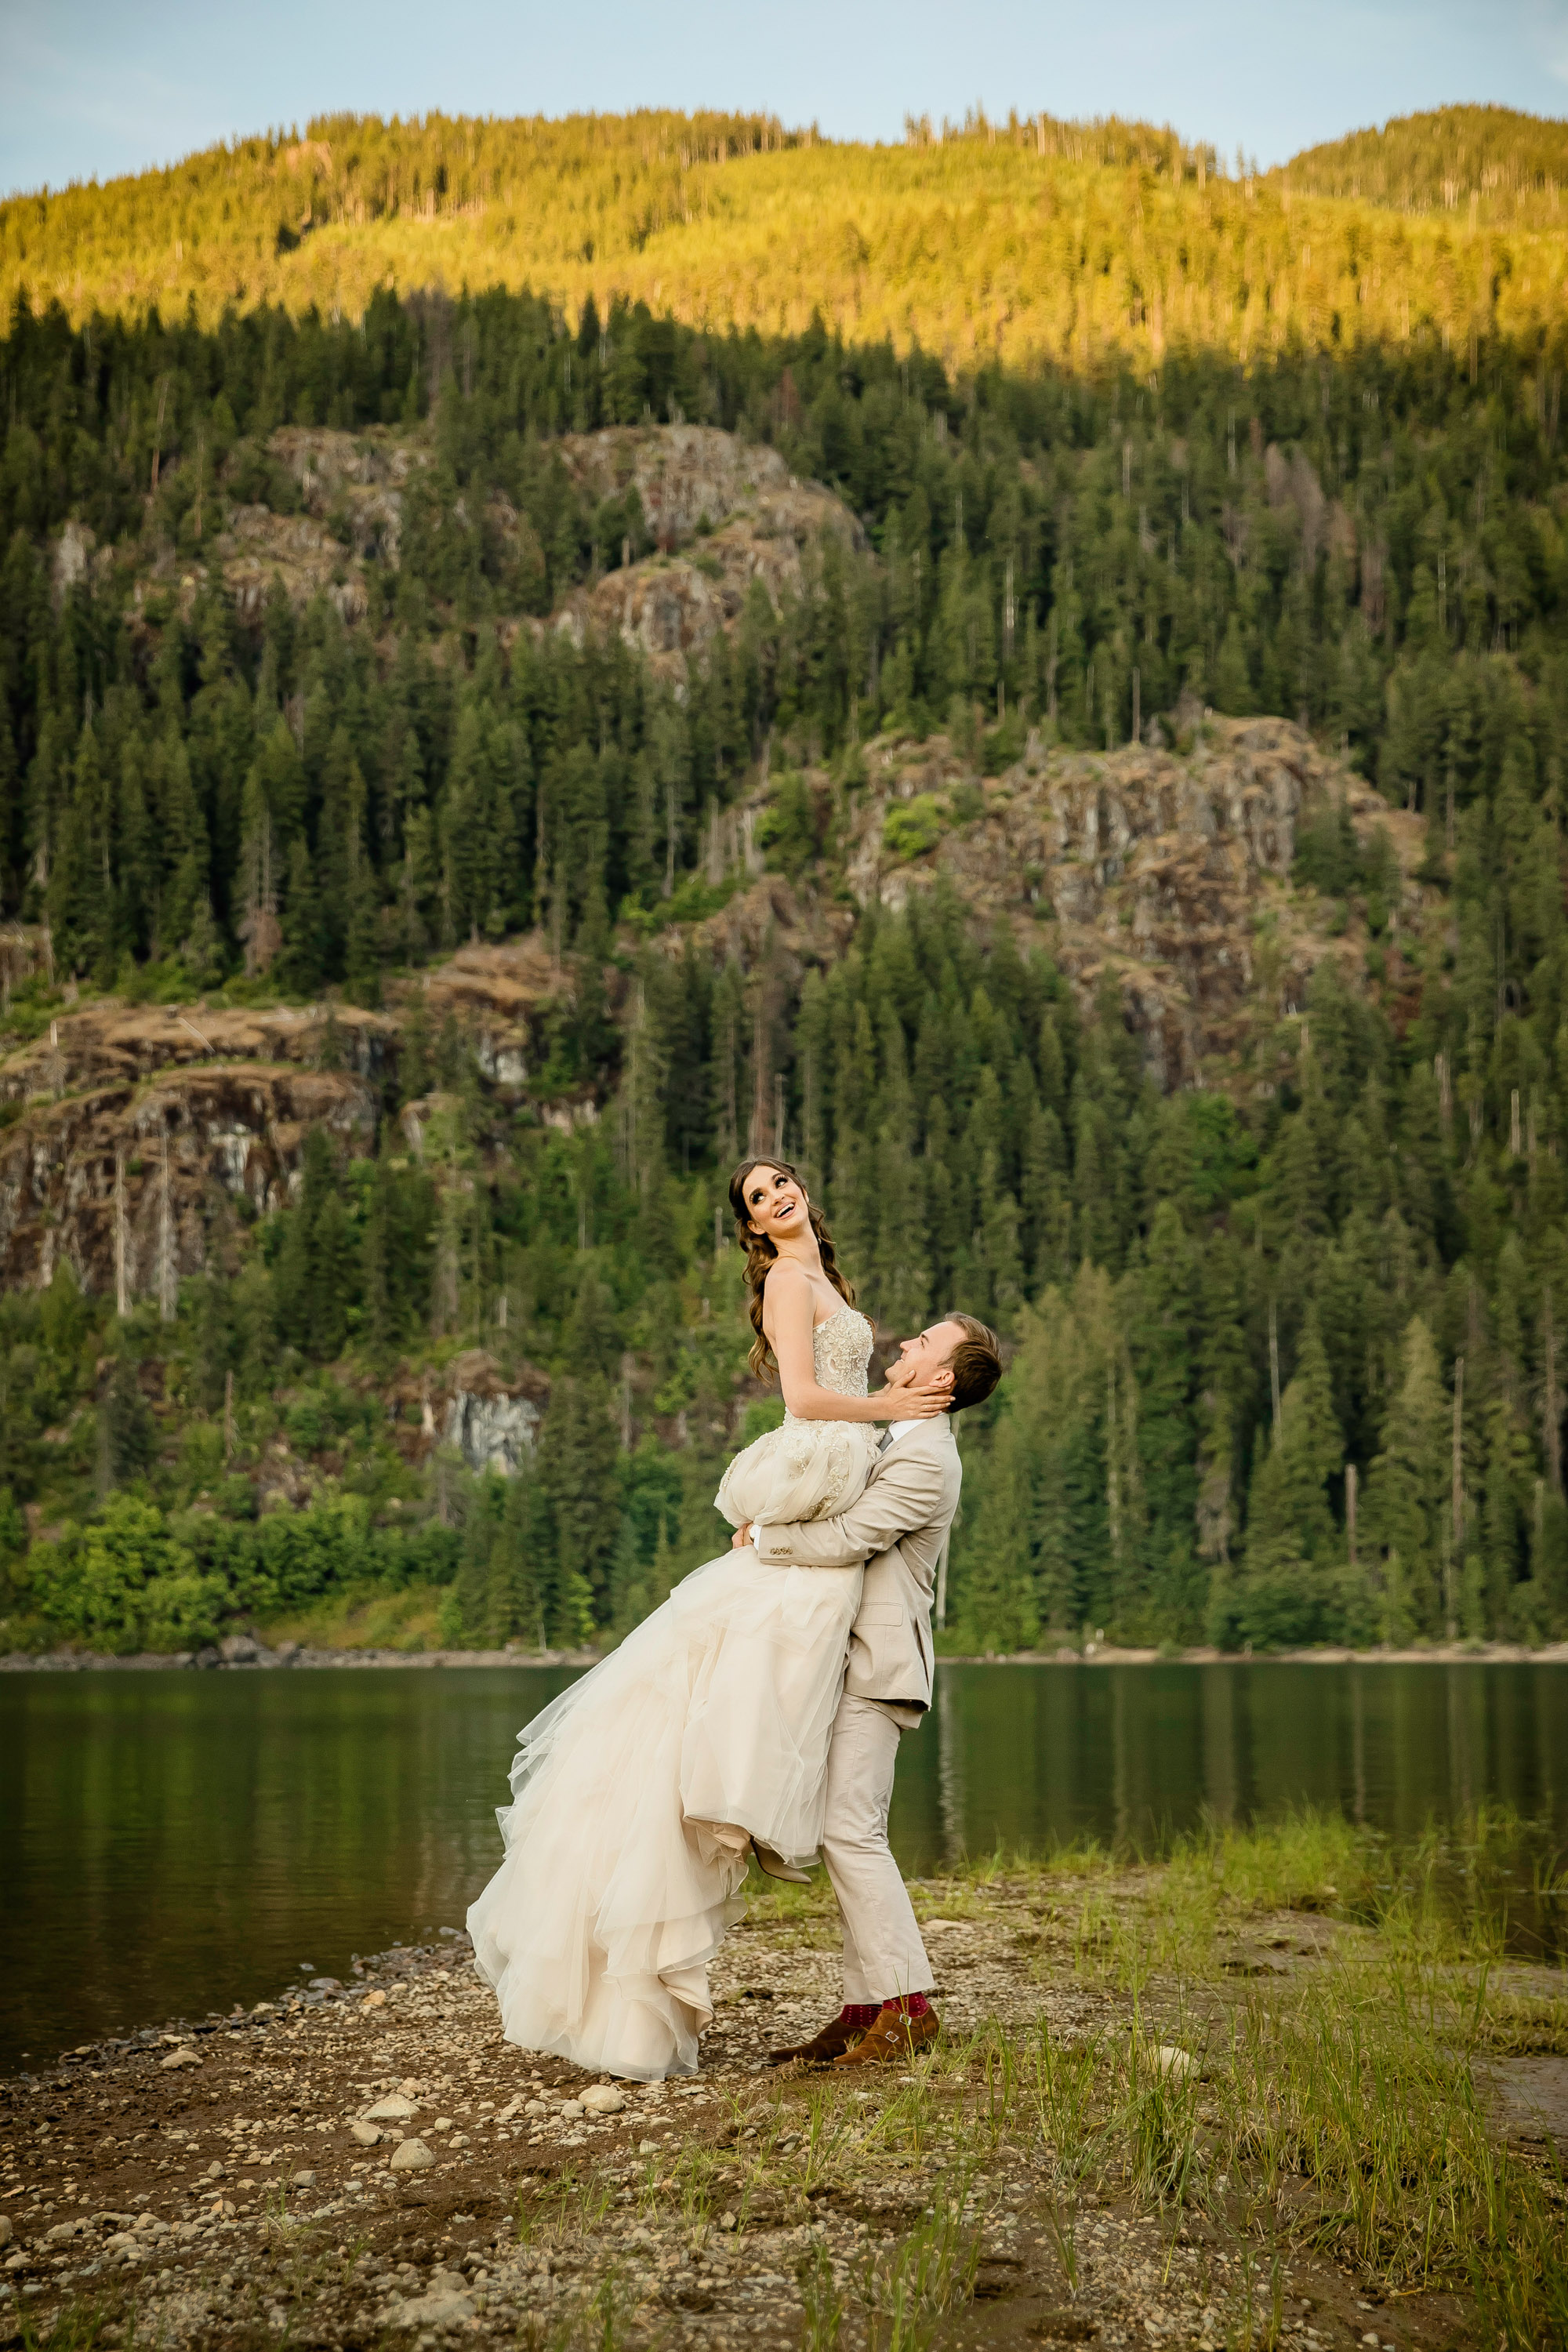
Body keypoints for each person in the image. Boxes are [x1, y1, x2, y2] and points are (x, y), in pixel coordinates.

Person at [465, 1157, 955, 2082]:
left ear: (803, 1191)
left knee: (824, 1799)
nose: (774, 1198)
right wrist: (880, 1412)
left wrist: (872, 1434)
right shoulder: (783, 1281)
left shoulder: (828, 1283)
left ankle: (881, 2003)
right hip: (823, 1467)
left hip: (837, 1493)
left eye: (779, 1183)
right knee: (716, 1719)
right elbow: (803, 1401)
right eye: (755, 1199)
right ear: (754, 1228)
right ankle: (874, 2000)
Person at [735, 1312, 1003, 2070]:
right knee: (843, 1832)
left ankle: (910, 2010)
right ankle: (863, 2009)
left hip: (879, 1665)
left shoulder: (929, 1461)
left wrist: (764, 1540)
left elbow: (855, 1539)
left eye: (923, 1343)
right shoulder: (896, 1438)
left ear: (941, 1379)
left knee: (853, 1833)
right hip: (840, 1658)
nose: (906, 1344)